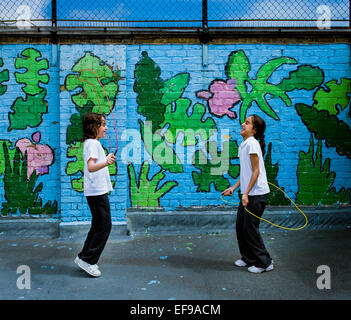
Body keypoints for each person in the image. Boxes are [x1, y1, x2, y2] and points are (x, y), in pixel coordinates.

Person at [222, 114, 273, 273]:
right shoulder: (244, 144)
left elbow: (256, 172)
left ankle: (265, 262)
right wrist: (234, 188)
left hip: (256, 193)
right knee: (241, 226)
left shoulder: (252, 144)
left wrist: (246, 193)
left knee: (250, 228)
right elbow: (245, 172)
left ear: (254, 129)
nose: (243, 124)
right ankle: (249, 258)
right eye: (245, 122)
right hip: (248, 192)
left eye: (247, 123)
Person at [74, 112, 116, 277]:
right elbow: (91, 167)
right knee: (105, 225)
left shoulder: (93, 143)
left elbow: (93, 164)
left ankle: (84, 257)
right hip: (96, 192)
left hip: (96, 191)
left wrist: (105, 159)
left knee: (99, 224)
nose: (105, 128)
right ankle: (88, 260)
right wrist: (105, 161)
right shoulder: (92, 143)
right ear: (94, 127)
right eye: (103, 124)